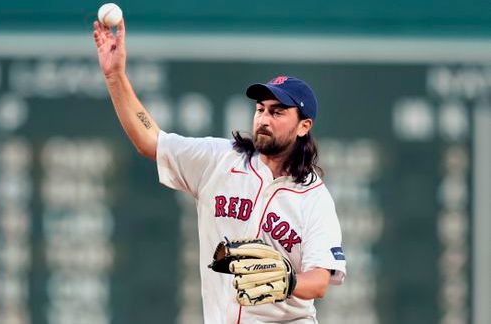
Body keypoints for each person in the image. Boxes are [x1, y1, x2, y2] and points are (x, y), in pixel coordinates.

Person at [93, 19, 346, 324]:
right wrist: (115, 76)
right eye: (261, 109)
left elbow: (319, 282)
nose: (264, 118)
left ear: (304, 126)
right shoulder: (219, 160)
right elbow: (150, 141)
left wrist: (289, 281)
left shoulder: (314, 198)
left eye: (278, 112)